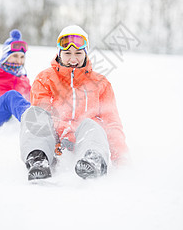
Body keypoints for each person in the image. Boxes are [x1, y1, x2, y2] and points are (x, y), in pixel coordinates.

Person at [20, 25, 129, 180]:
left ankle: (93, 160)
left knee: (94, 124)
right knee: (33, 114)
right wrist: (61, 137)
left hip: (84, 142)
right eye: (67, 53)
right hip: (53, 141)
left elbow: (112, 122)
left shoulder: (101, 83)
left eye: (78, 53)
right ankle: (38, 159)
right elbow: (42, 114)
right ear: (59, 53)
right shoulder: (45, 79)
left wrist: (121, 157)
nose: (73, 59)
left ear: (85, 53)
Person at [0, 29, 31, 127]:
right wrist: (4, 100)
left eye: (22, 57)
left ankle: (44, 122)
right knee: (11, 95)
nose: (19, 61)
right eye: (15, 56)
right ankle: (32, 121)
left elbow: (30, 99)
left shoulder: (23, 80)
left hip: (10, 115)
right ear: (6, 56)